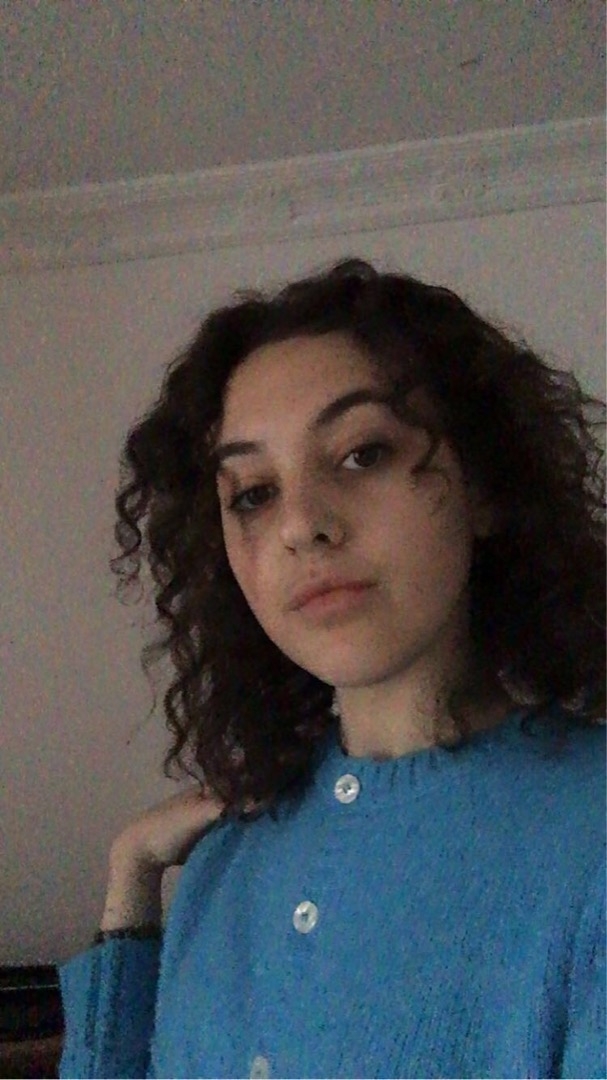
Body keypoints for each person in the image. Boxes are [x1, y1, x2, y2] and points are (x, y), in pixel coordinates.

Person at [58, 258, 606, 1079]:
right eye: (252, 493)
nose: (301, 524)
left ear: (485, 486)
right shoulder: (219, 863)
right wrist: (129, 890)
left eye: (361, 454)